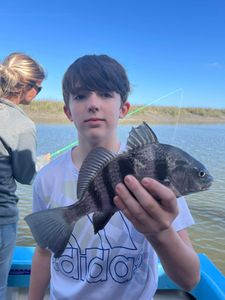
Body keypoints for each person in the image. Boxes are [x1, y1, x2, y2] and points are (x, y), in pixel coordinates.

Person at [28, 54, 200, 300]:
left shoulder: (159, 178)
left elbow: (189, 279)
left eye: (106, 94)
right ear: (68, 111)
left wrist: (160, 232)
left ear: (124, 109)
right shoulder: (46, 178)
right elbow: (44, 252)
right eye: (80, 96)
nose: (93, 104)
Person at [0, 52, 47, 299]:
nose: (38, 94)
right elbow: (25, 176)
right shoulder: (22, 124)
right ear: (27, 87)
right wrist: (40, 163)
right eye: (38, 88)